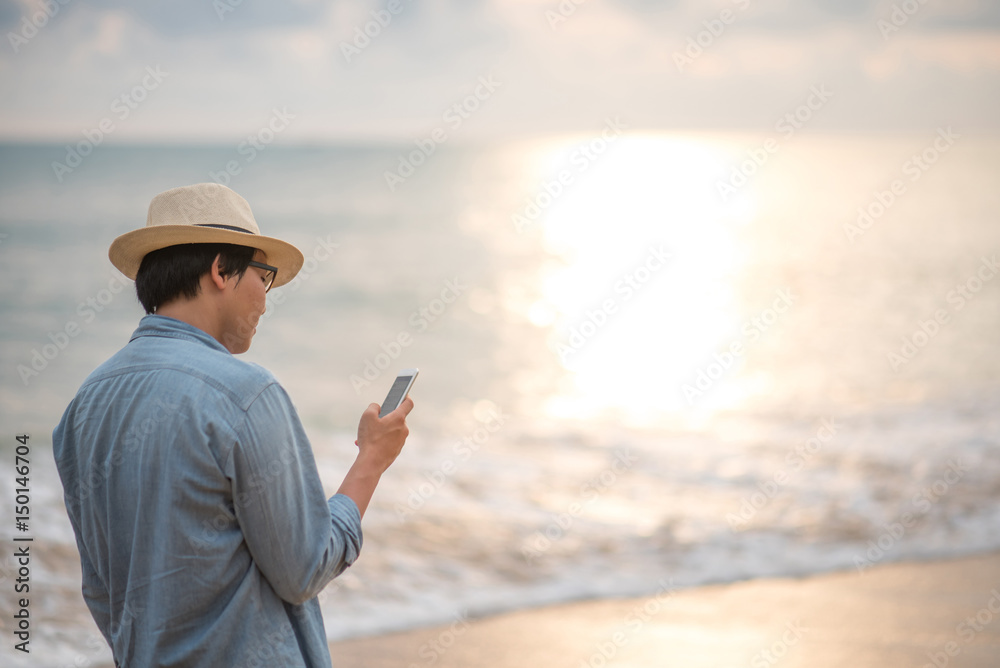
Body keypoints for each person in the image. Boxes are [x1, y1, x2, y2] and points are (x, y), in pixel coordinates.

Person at [52, 182, 413, 667]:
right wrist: (372, 459)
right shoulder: (243, 393)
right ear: (221, 269)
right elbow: (303, 568)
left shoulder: (83, 408)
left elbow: (101, 592)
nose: (265, 299)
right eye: (262, 276)